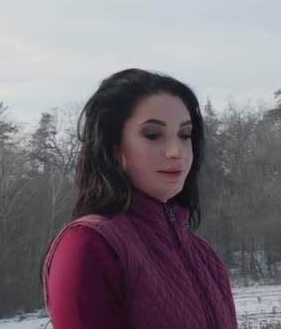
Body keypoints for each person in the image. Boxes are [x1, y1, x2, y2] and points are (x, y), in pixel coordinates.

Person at [40, 68, 237, 328]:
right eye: (153, 135)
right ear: (113, 147)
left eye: (185, 135)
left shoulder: (204, 256)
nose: (176, 151)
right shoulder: (88, 244)